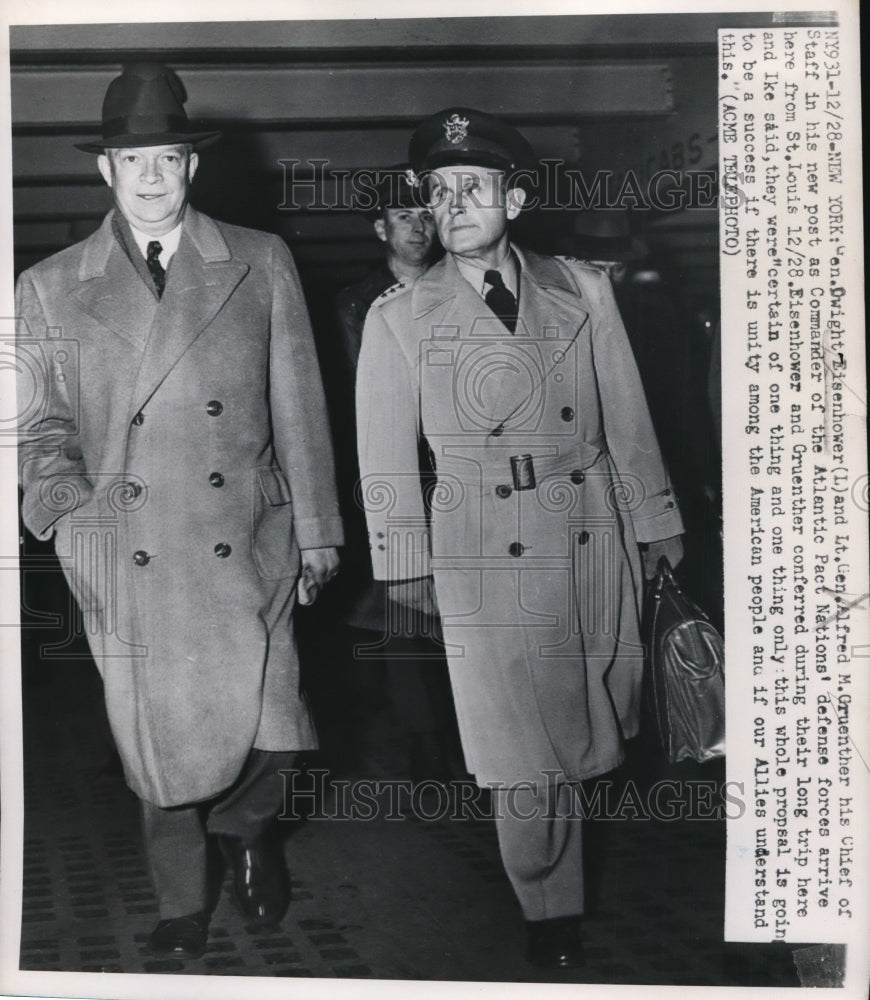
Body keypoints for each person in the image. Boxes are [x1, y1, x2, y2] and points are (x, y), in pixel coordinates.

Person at [15, 62, 342, 959]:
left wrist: (318, 528)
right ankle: (179, 903)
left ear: (191, 167)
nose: (151, 176)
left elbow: (300, 405)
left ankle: (248, 830)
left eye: (167, 157)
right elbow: (34, 428)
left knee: (278, 728)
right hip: (131, 548)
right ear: (104, 173)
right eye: (133, 160)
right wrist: (68, 521)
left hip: (248, 536)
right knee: (155, 743)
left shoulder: (259, 259)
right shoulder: (46, 287)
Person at [355, 107, 684, 968]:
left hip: (589, 534)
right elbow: (382, 452)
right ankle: (550, 913)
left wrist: (655, 524)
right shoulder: (398, 318)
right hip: (479, 549)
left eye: (473, 185)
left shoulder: (583, 289)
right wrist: (402, 566)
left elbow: (628, 419)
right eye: (437, 190)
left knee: (592, 729)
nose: (452, 203)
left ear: (518, 196)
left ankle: (557, 886)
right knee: (520, 755)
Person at [331, 168, 457, 782]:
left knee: (463, 618)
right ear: (381, 227)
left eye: (427, 215)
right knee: (403, 615)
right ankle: (426, 745)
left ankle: (463, 739)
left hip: (458, 482)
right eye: (404, 216)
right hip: (394, 480)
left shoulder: (467, 290)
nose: (418, 227)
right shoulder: (355, 306)